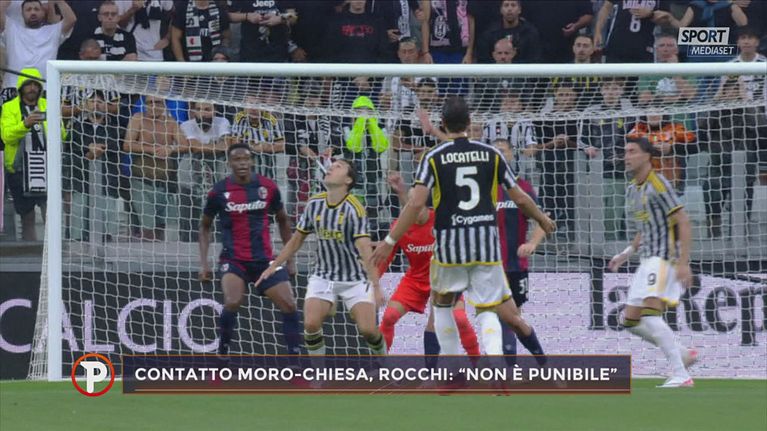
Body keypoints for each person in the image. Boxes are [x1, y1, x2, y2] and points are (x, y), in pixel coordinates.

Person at [372, 96, 555, 359]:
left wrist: (389, 240)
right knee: (496, 311)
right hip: (485, 249)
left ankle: (449, 368)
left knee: (441, 308)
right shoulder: (491, 154)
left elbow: (415, 204)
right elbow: (521, 198)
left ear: (443, 123)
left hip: (449, 251)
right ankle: (520, 364)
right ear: (469, 122)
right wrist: (542, 219)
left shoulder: (433, 157)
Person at [256, 159, 387, 357]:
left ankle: (385, 364)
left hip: (355, 278)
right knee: (310, 324)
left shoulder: (355, 208)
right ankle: (319, 374)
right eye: (331, 165)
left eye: (338, 166)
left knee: (369, 330)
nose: (331, 167)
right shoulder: (314, 204)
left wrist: (376, 286)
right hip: (323, 275)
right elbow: (296, 240)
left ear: (348, 180)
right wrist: (274, 265)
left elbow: (365, 249)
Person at [608, 137, 698, 388]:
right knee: (630, 321)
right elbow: (645, 228)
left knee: (649, 315)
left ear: (647, 156)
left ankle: (681, 374)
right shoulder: (632, 188)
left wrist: (683, 263)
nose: (627, 156)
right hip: (647, 258)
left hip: (664, 257)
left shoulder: (658, 184)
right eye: (625, 151)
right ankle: (681, 353)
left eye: (632, 151)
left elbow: (683, 221)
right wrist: (626, 253)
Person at [199, 143, 301, 356]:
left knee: (290, 305)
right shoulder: (219, 191)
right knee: (232, 301)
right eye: (237, 159)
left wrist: (290, 260)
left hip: (265, 260)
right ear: (229, 163)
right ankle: (222, 355)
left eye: (246, 158)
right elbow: (205, 226)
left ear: (252, 161)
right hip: (233, 260)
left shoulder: (267, 187)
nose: (242, 163)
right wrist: (204, 263)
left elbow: (283, 221)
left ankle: (295, 361)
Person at [378, 172, 480, 359]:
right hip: (415, 279)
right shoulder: (399, 228)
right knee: (389, 317)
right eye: (409, 205)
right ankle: (380, 366)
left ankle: (478, 364)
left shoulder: (442, 221)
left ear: (426, 205)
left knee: (459, 319)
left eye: (416, 205)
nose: (413, 209)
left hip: (444, 278)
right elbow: (385, 258)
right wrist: (372, 283)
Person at [492, 138, 547, 362]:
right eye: (495, 151)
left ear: (512, 155)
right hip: (489, 266)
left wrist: (532, 243)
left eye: (503, 151)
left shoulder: (522, 187)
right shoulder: (482, 188)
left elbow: (543, 220)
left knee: (513, 318)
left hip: (516, 265)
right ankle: (507, 365)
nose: (500, 155)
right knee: (497, 317)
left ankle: (523, 364)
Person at [1, 68, 63, 241]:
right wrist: (25, 124)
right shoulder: (9, 107)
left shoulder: (49, 104)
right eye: (28, 85)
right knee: (27, 216)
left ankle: (52, 250)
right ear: (21, 87)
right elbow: (6, 136)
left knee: (50, 213)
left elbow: (62, 134)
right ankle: (31, 250)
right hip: (20, 168)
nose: (32, 88)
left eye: (36, 85)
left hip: (47, 166)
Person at [122, 94, 185, 241]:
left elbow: (185, 144)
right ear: (145, 104)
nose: (154, 106)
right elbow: (127, 145)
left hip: (165, 184)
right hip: (141, 182)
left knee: (168, 228)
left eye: (158, 102)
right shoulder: (138, 118)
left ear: (164, 105)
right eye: (150, 102)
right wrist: (152, 149)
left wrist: (170, 149)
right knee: (148, 229)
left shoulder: (170, 122)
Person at [178, 101, 231, 242]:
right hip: (192, 168)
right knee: (189, 203)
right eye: (199, 109)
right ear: (193, 111)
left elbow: (227, 145)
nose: (203, 113)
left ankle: (221, 240)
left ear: (214, 111)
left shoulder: (222, 122)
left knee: (222, 200)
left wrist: (204, 147)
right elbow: (194, 147)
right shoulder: (186, 125)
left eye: (207, 109)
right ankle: (187, 241)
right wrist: (216, 147)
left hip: (218, 166)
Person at [0, 0, 76, 93]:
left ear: (43, 12)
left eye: (36, 9)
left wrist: (59, 1)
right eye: (28, 10)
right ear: (22, 13)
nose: (33, 12)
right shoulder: (11, 28)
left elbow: (71, 19)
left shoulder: (53, 31)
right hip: (13, 88)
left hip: (45, 90)